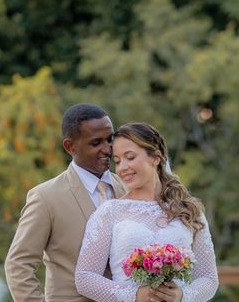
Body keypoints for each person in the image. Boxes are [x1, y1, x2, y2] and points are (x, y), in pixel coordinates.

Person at [75, 122, 219, 302]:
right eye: (117, 161)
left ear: (156, 158)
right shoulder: (109, 212)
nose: (122, 168)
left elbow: (209, 279)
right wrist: (134, 295)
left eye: (130, 157)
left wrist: (182, 295)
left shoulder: (189, 211)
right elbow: (85, 278)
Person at [5, 103, 127, 302]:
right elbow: (18, 265)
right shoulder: (45, 197)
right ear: (70, 147)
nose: (108, 149)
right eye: (96, 143)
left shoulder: (130, 188)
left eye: (110, 139)